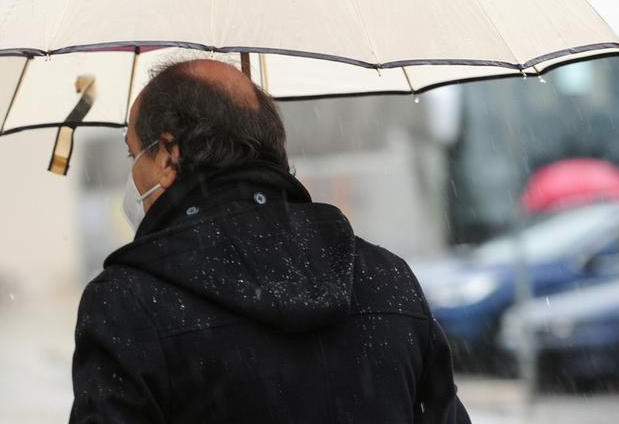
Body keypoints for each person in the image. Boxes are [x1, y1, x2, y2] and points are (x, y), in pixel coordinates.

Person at [70, 59, 470, 423]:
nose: (133, 175)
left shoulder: (128, 304)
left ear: (169, 154)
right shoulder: (388, 278)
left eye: (133, 154)